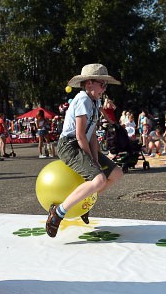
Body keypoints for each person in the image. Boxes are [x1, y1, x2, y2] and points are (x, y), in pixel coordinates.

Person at [46, 64, 123, 237]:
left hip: (83, 143)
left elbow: (92, 135)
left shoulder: (95, 102)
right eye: (102, 84)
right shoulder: (82, 100)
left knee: (116, 173)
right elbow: (80, 135)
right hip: (69, 145)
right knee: (98, 179)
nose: (104, 88)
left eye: (105, 85)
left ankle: (84, 204)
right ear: (89, 84)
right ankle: (57, 213)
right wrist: (93, 162)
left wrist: (95, 159)